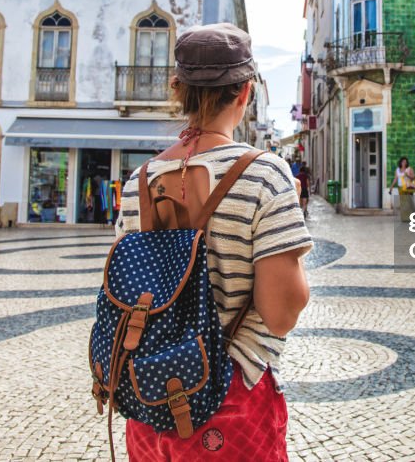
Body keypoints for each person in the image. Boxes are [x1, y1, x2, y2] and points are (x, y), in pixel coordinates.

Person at [118, 23, 311, 461]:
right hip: (230, 402)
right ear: (244, 93)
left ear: (177, 90)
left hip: (148, 402)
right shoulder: (266, 174)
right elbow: (281, 313)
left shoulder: (138, 182)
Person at [389, 156, 415, 223]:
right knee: (403, 203)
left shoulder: (409, 169)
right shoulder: (397, 170)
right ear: (400, 162)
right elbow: (395, 179)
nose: (404, 163)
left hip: (408, 188)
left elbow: (413, 177)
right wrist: (391, 187)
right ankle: (405, 218)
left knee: (409, 202)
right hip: (401, 188)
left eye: (405, 162)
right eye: (403, 162)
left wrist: (407, 175)